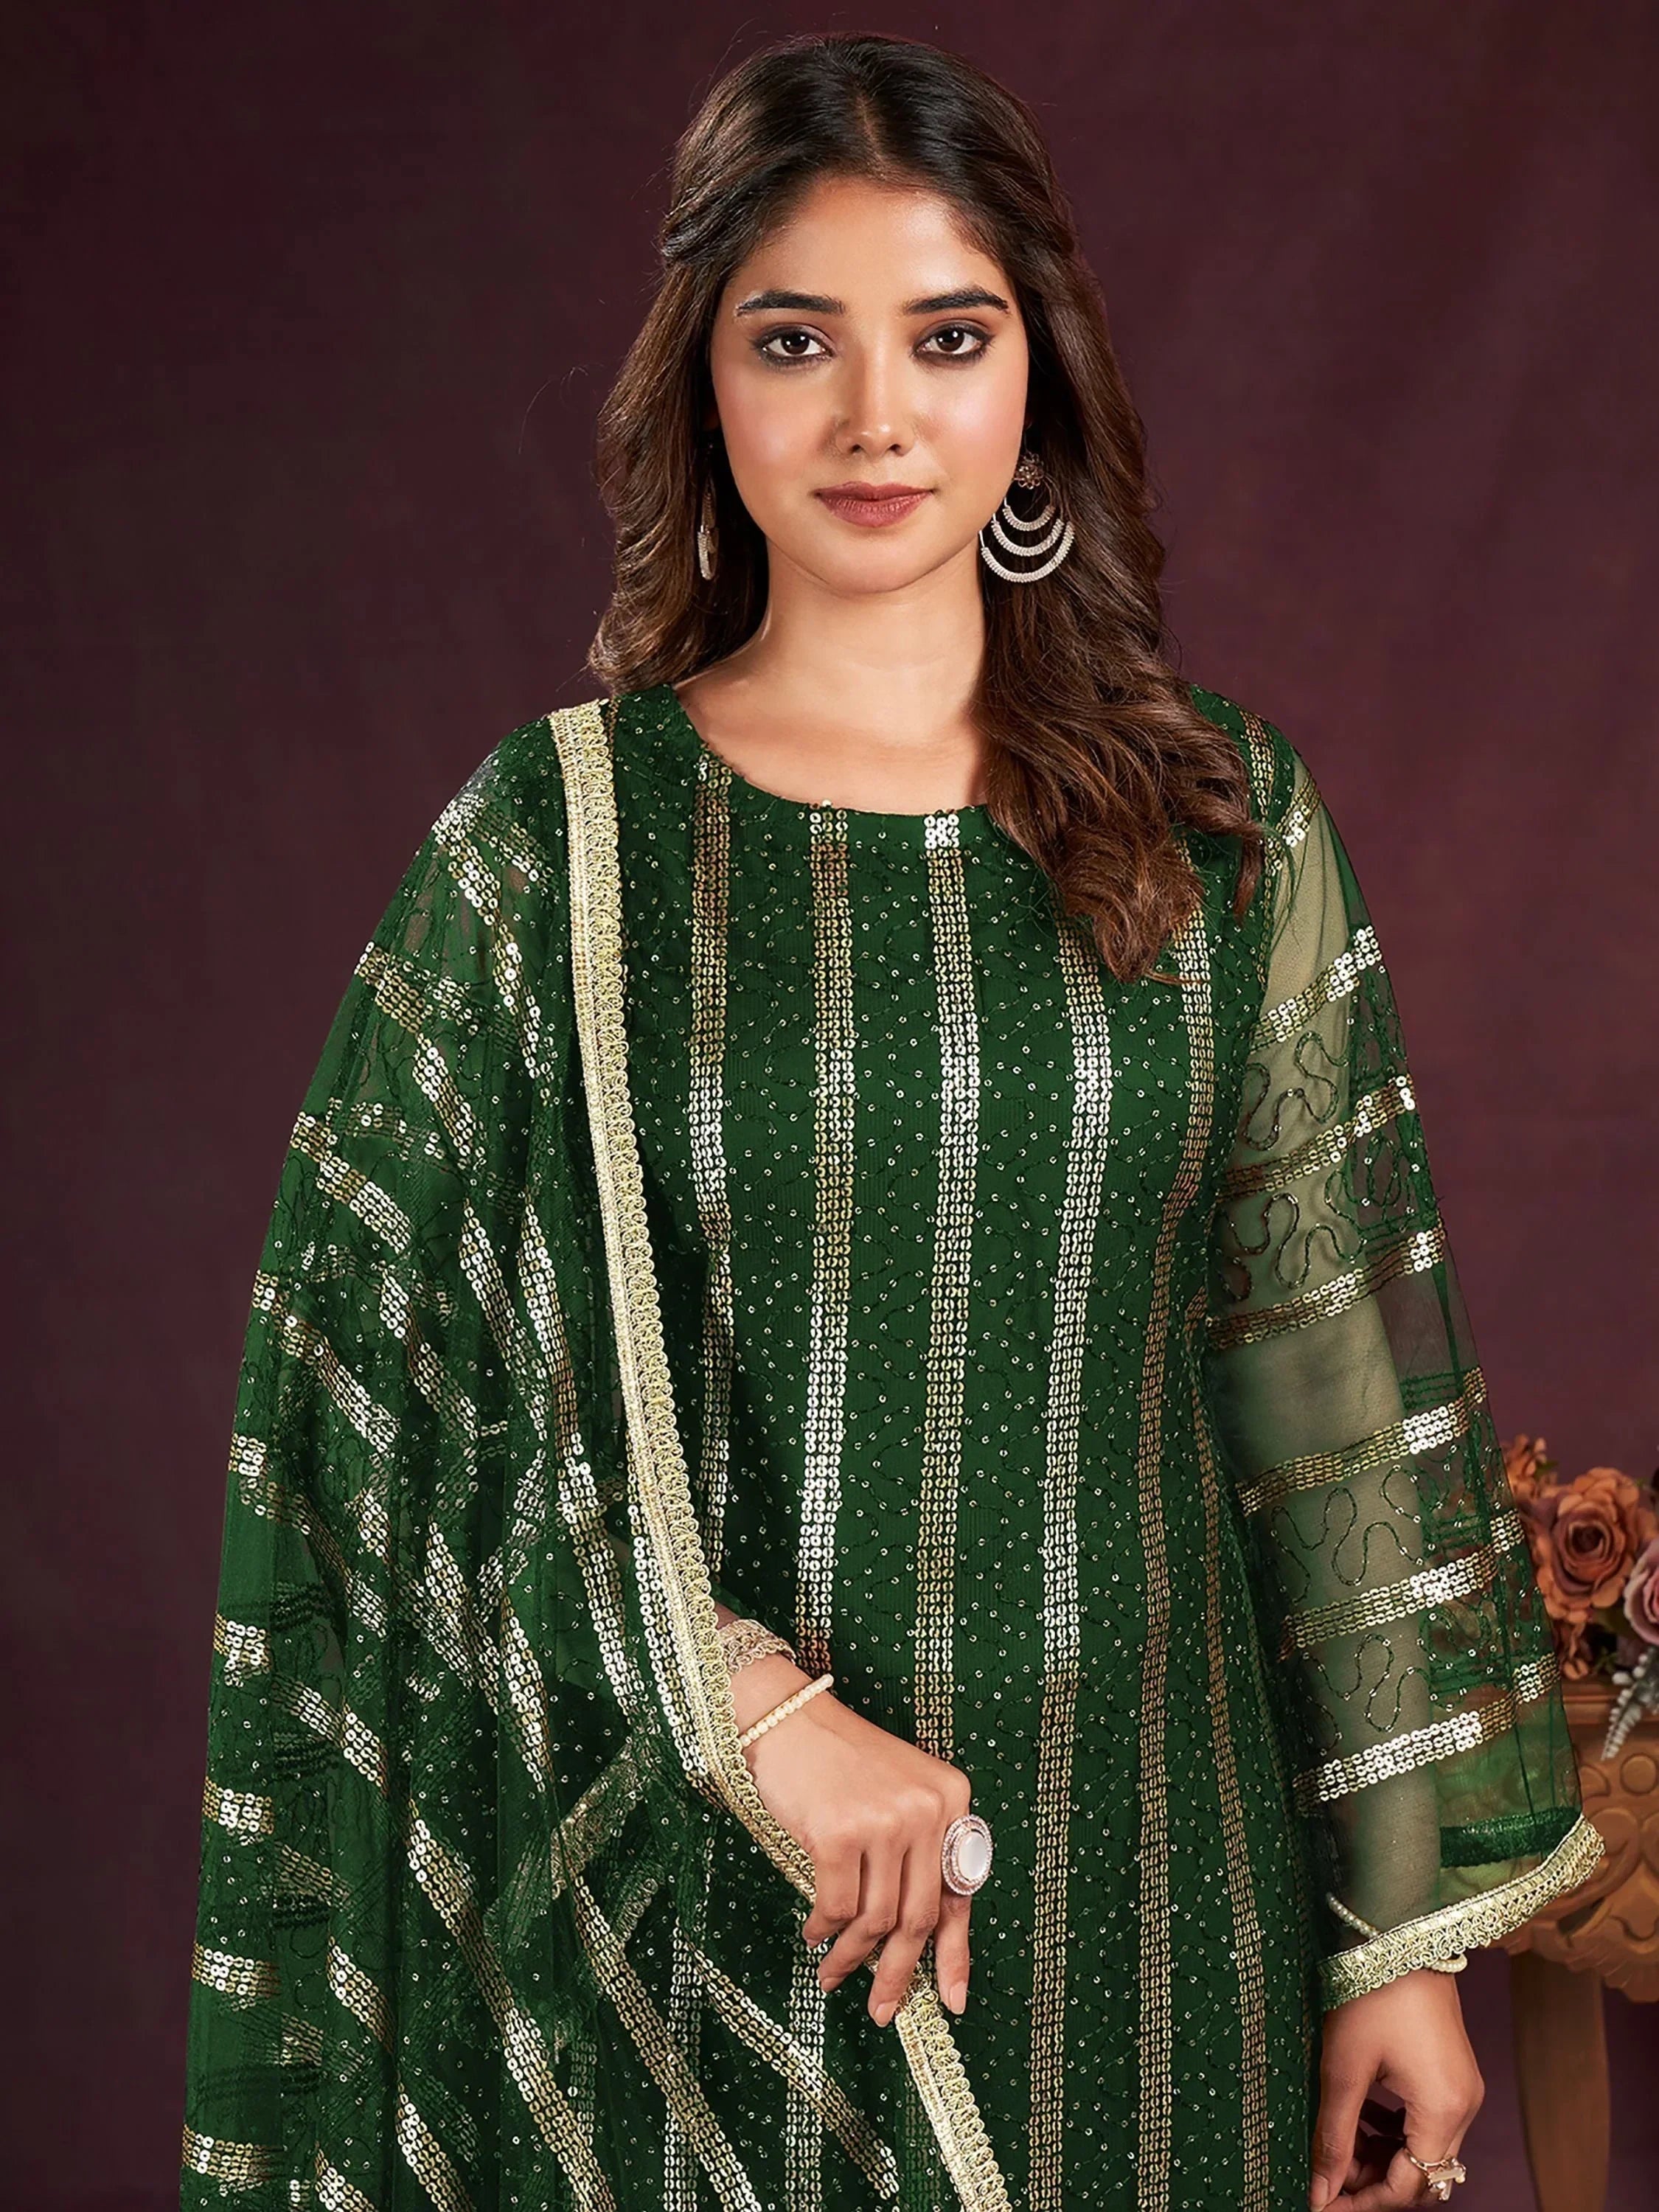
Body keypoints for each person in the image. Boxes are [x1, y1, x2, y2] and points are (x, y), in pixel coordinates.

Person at [178, 32, 1603, 2212]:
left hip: (1165, 1896)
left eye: (944, 338)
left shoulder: (1219, 825)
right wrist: (747, 1704)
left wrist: (1388, 1951)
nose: (871, 418)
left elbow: (1326, 1399)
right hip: (714, 1918)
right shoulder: (562, 854)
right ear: (703, 389)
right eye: (792, 342)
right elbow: (387, 1396)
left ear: (1033, 373)